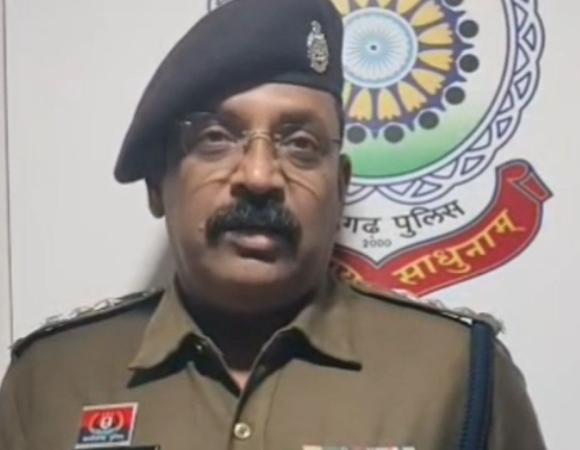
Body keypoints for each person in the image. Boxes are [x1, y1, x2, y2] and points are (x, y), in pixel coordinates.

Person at [0, 0, 546, 449]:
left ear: (341, 187)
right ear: (156, 186)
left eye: (301, 144)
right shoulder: (50, 382)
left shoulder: (458, 375)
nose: (260, 176)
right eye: (215, 138)